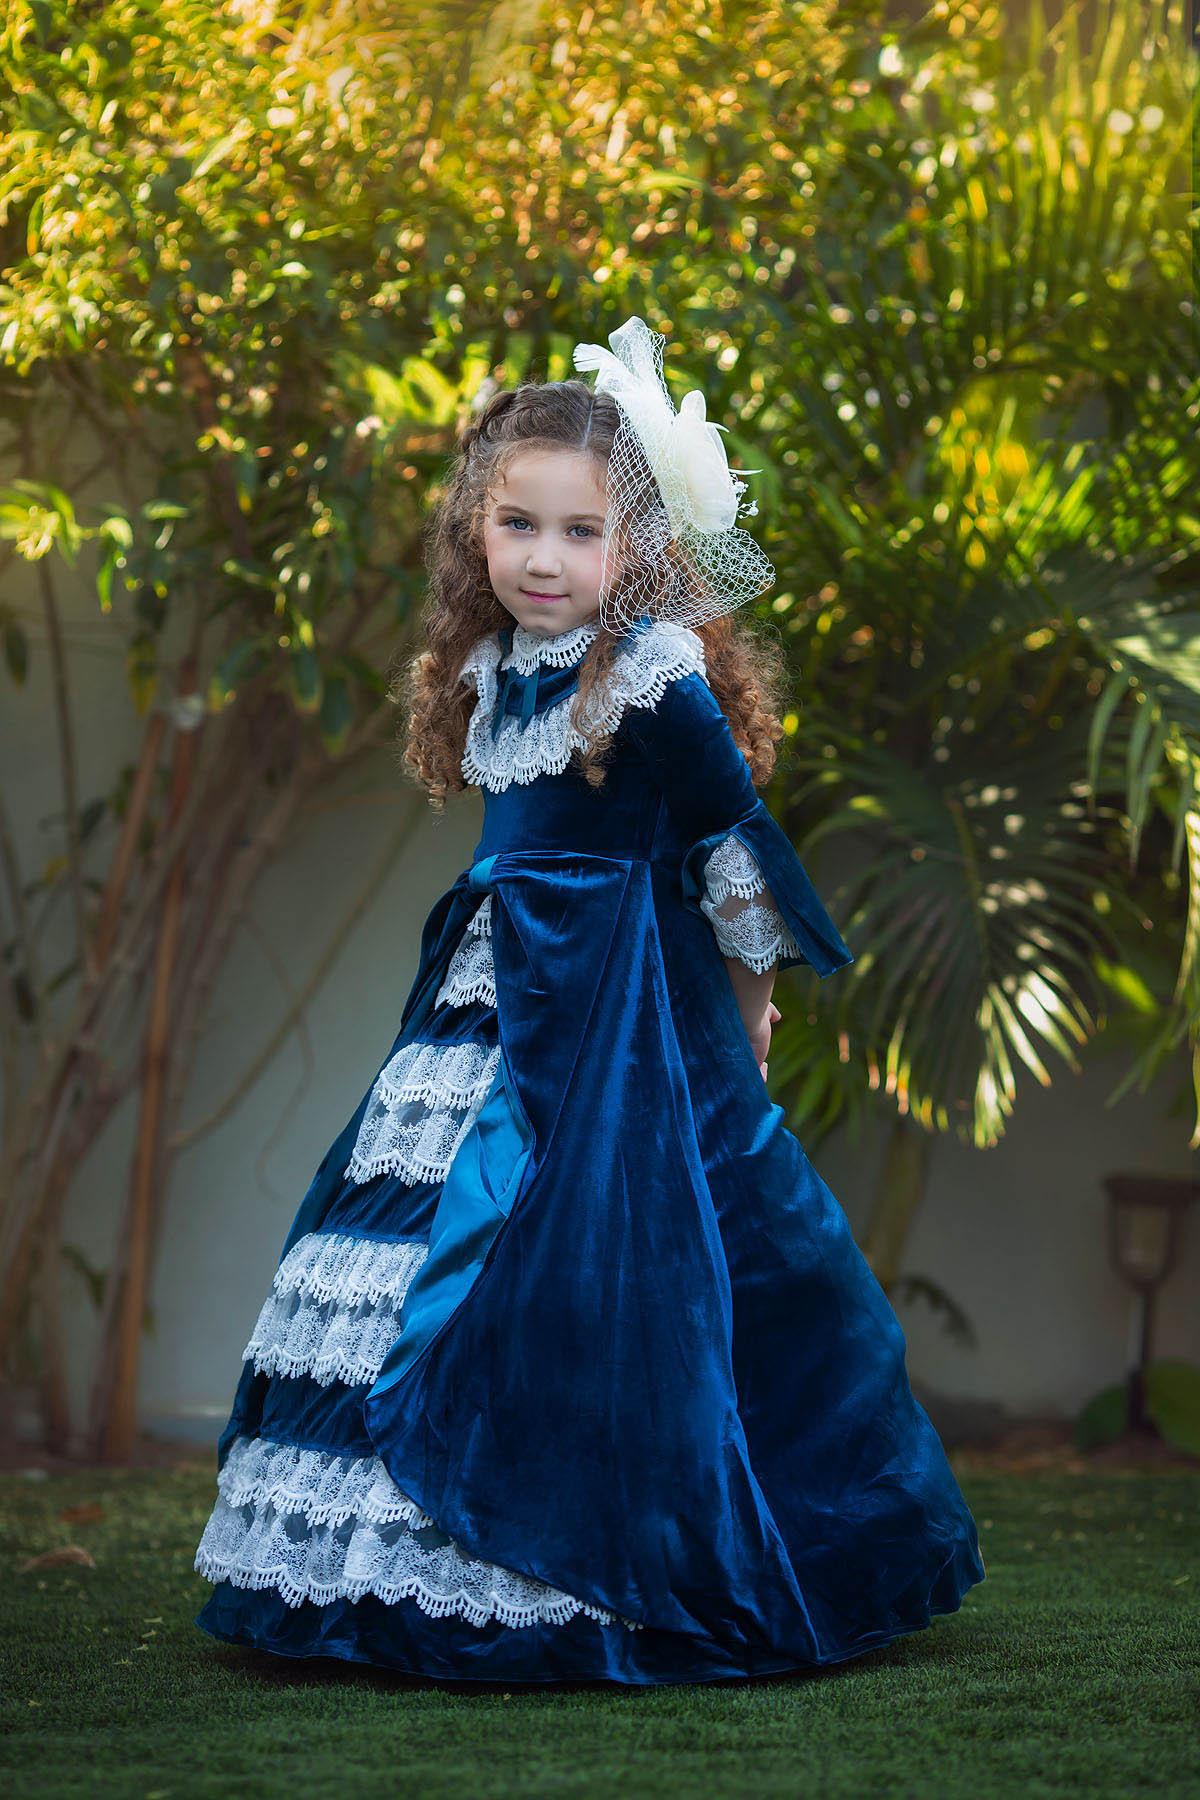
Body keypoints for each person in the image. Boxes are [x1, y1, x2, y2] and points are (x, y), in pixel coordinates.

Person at [193, 316, 986, 1687]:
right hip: (489, 1006)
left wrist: (748, 1009)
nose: (544, 560)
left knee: (625, 1258)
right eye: (518, 526)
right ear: (477, 532)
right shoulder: (490, 673)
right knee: (434, 1238)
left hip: (624, 1028)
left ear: (635, 550)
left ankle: (621, 1573)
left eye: (580, 533)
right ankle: (384, 1571)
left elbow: (732, 848)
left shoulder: (654, 676)